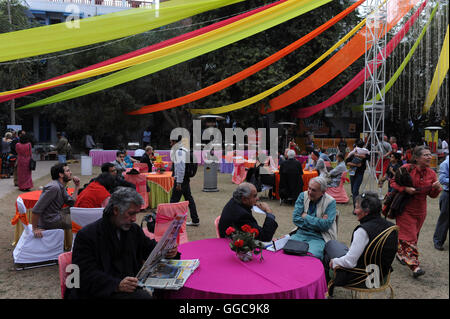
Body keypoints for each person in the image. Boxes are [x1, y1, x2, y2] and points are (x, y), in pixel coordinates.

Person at [67, 187, 179, 299]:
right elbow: (83, 274)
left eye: (136, 214)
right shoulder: (87, 235)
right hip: (100, 292)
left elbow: (150, 249)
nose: (134, 219)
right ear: (116, 210)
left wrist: (166, 251)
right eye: (131, 214)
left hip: (128, 288)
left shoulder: (133, 230)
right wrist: (116, 285)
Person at [323, 192, 397, 289]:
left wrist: (334, 262)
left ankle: (327, 288)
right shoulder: (391, 227)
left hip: (362, 277)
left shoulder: (363, 231)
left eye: (357, 208)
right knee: (334, 245)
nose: (354, 211)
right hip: (381, 275)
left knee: (329, 250)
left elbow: (350, 262)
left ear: (366, 211)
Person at [391, 146, 441, 278]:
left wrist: (436, 188)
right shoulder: (406, 168)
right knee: (410, 237)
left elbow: (432, 195)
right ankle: (415, 266)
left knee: (413, 237)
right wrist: (405, 188)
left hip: (421, 210)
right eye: (426, 155)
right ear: (417, 158)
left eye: (430, 154)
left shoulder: (431, 173)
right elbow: (393, 182)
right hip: (405, 208)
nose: (429, 157)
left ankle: (401, 253)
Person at [290, 177, 337, 260]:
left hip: (319, 237)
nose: (310, 192)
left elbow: (325, 226)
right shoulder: (303, 196)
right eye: (309, 188)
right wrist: (319, 222)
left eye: (314, 190)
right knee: (287, 251)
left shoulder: (330, 202)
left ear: (322, 192)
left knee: (312, 256)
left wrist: (306, 217)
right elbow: (296, 219)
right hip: (300, 233)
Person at [31, 163, 81, 238]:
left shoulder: (60, 185)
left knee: (79, 211)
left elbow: (71, 202)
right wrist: (35, 229)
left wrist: (77, 186)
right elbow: (36, 210)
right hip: (50, 220)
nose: (70, 173)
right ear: (61, 174)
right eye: (68, 171)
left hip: (57, 215)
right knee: (80, 221)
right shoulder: (54, 188)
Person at [170, 137, 199, 226]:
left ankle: (170, 220)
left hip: (181, 180)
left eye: (171, 142)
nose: (170, 144)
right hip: (185, 179)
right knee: (189, 199)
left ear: (175, 142)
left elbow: (181, 169)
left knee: (173, 201)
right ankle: (195, 219)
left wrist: (178, 183)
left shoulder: (179, 152)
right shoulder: (185, 150)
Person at [345, 143, 369, 208]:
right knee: (353, 191)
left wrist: (357, 155)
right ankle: (359, 203)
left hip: (360, 173)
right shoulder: (351, 154)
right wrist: (355, 165)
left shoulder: (365, 153)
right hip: (352, 173)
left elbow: (367, 156)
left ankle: (356, 208)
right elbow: (347, 162)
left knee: (355, 190)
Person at [433, 155, 448, 251]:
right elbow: (442, 180)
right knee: (445, 219)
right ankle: (438, 241)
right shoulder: (446, 163)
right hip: (448, 195)